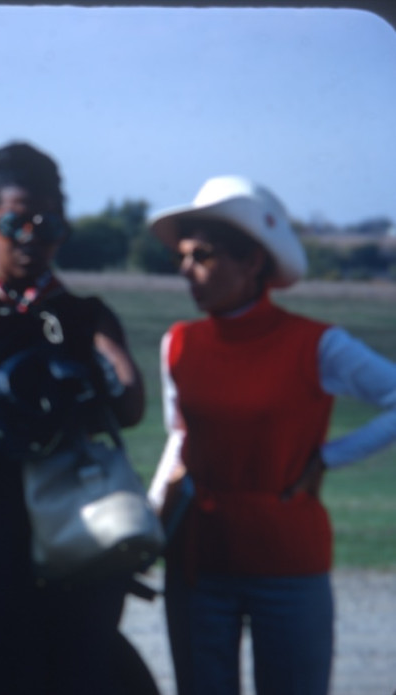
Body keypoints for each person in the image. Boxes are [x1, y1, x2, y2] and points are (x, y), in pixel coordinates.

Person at [145, 175, 396, 695]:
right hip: (197, 562)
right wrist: (149, 521)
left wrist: (328, 457)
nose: (186, 270)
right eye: (181, 256)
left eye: (202, 256)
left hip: (287, 563)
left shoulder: (316, 344)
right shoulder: (179, 343)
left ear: (252, 262)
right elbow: (179, 440)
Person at [0, 141, 148, 695]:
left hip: (75, 528)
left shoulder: (83, 313)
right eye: (14, 223)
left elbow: (132, 402)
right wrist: (59, 395)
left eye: (48, 226)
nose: (31, 239)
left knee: (77, 668)